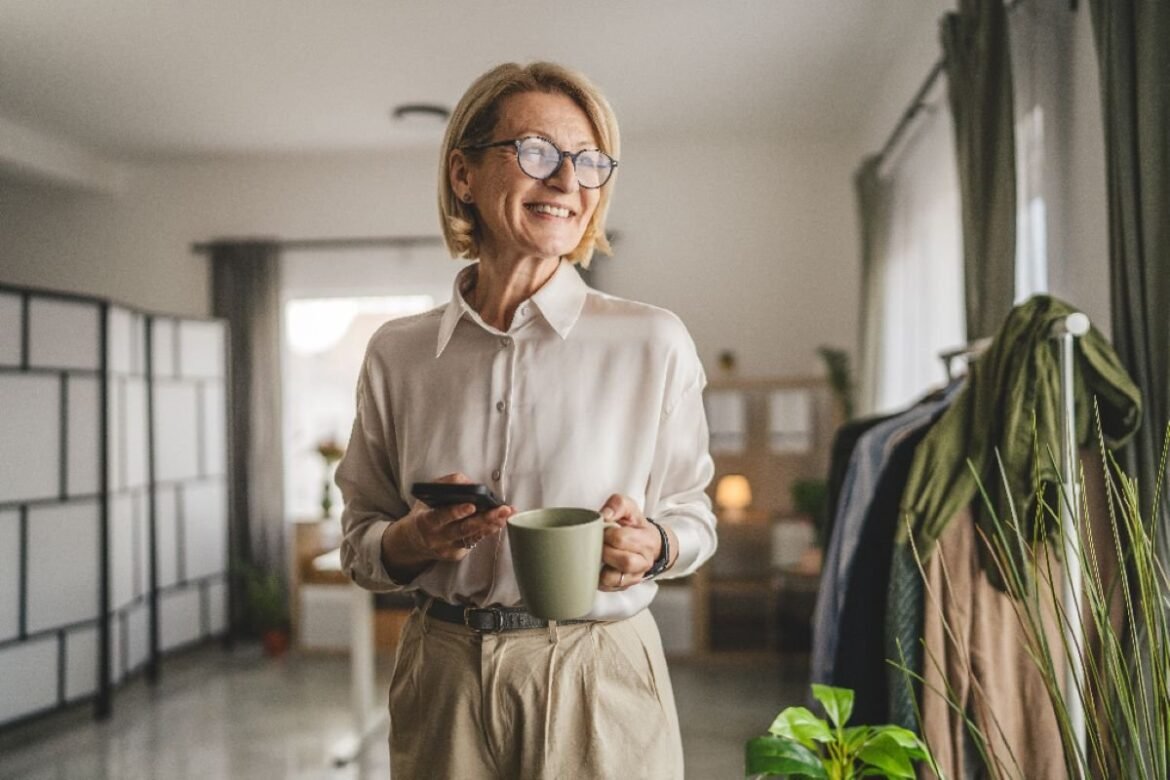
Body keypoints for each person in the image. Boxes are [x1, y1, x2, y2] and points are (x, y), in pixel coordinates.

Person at [336, 61, 717, 779]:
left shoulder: (654, 341)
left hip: (599, 676)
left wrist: (655, 545)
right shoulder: (397, 353)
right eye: (538, 152)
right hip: (442, 677)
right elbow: (359, 542)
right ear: (463, 175)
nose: (568, 181)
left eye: (588, 162)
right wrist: (410, 540)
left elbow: (694, 517)